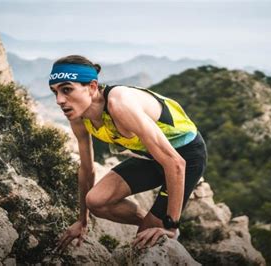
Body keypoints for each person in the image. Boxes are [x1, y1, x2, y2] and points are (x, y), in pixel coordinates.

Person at [51, 55, 208, 252]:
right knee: (96, 202)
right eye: (55, 92)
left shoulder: (120, 104)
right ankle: (148, 221)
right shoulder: (78, 117)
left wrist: (170, 226)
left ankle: (164, 229)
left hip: (186, 155)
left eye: (67, 90)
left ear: (92, 87)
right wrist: (82, 220)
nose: (59, 100)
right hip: (151, 156)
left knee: (143, 244)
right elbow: (86, 168)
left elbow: (176, 163)